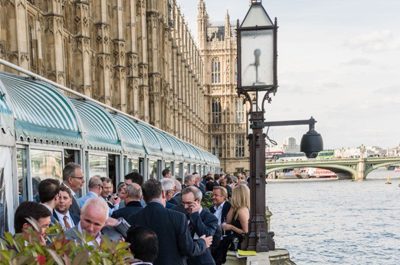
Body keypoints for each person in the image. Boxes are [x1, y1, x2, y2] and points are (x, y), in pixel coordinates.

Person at [127, 179, 212, 265]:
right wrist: (202, 243)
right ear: (163, 194)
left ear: (143, 197)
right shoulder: (178, 217)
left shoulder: (133, 219)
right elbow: (188, 249)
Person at [176, 186, 218, 265]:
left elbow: (206, 235)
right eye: (183, 203)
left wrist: (195, 215)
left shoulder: (210, 218)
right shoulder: (180, 214)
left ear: (198, 201)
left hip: (201, 261)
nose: (185, 206)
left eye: (188, 203)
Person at [218, 184, 250, 264]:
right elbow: (228, 221)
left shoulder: (242, 211)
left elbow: (246, 232)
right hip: (233, 240)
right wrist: (233, 206)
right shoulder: (236, 208)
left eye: (233, 194)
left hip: (239, 243)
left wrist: (232, 227)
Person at [209, 186, 231, 264]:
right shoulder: (211, 209)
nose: (213, 197)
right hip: (212, 242)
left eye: (216, 195)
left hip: (223, 242)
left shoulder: (229, 207)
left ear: (224, 197)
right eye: (212, 195)